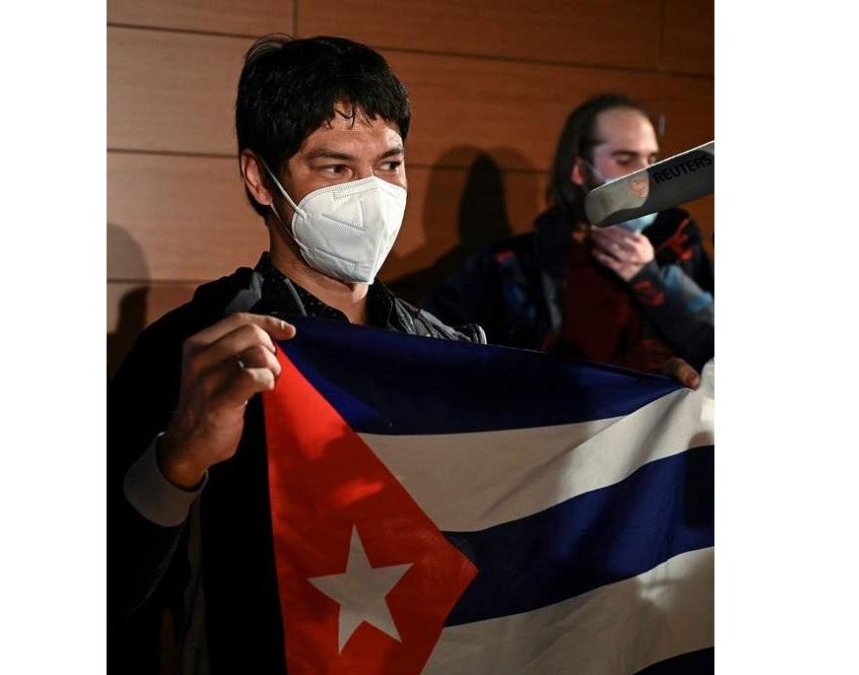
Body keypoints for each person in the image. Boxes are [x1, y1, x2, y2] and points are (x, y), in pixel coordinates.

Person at [108, 42, 702, 674]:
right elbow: (110, 592)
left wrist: (646, 419)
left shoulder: (445, 352)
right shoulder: (198, 350)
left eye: (389, 164)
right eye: (335, 169)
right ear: (260, 177)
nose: (370, 194)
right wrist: (180, 458)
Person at [422, 94, 714, 374]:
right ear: (579, 169)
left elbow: (714, 346)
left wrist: (652, 281)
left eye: (651, 159)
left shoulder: (678, 245)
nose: (645, 176)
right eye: (625, 160)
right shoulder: (513, 265)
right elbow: (431, 343)